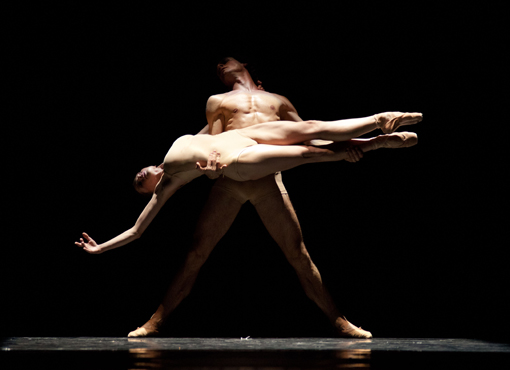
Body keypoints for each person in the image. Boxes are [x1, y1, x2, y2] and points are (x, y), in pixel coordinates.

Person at [76, 103, 422, 336]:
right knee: (307, 153)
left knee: (313, 128)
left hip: (245, 137)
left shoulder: (178, 142)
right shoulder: (168, 184)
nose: (141, 174)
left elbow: (207, 132)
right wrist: (100, 249)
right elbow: (138, 230)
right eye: (140, 182)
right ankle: (376, 144)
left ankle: (382, 119)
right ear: (150, 188)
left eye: (139, 173)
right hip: (240, 160)